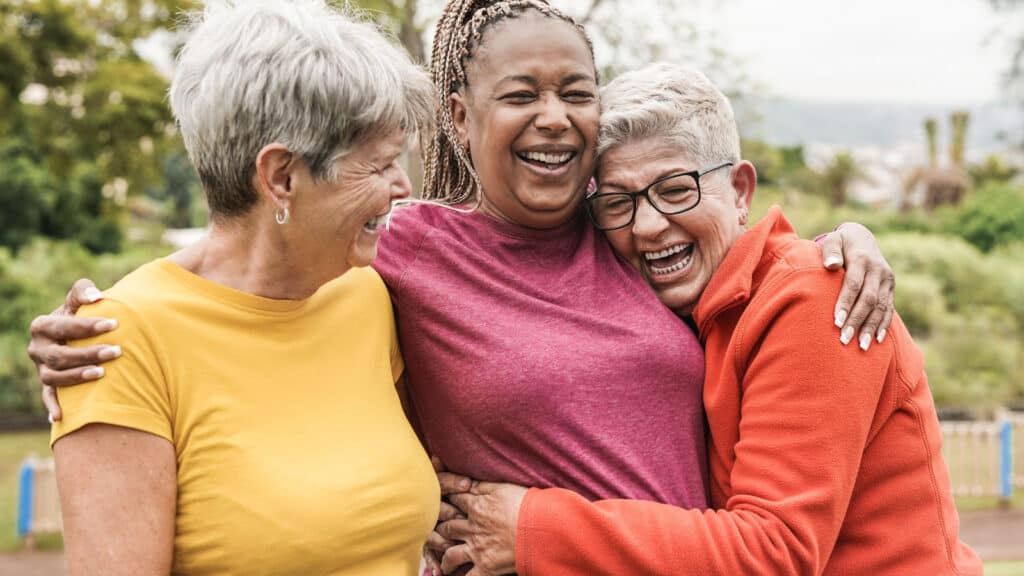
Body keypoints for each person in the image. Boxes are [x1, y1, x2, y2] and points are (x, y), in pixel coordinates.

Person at [29, 0, 896, 571]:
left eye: (576, 93)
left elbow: (734, 255)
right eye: (520, 93)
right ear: (457, 117)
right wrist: (93, 327)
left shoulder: (628, 231)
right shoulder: (396, 260)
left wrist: (842, 247)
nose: (555, 117)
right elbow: (244, 276)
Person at [428, 63, 982, 575]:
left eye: (675, 190)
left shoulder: (814, 299)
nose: (647, 226)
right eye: (619, 202)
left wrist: (530, 526)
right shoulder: (681, 310)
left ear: (740, 190)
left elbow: (773, 550)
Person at [43, 1, 440, 574]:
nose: (403, 186)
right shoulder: (115, 342)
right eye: (379, 166)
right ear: (281, 177)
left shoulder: (367, 294)